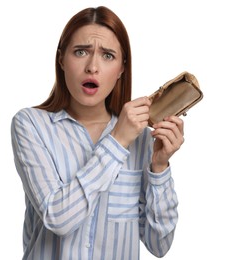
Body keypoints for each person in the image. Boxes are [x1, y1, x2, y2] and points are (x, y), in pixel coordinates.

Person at [11, 6, 184, 260]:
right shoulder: (30, 125)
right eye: (81, 52)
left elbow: (159, 245)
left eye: (108, 55)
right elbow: (57, 217)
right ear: (61, 59)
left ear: (122, 68)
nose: (92, 67)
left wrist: (159, 167)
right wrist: (117, 141)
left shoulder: (141, 138)